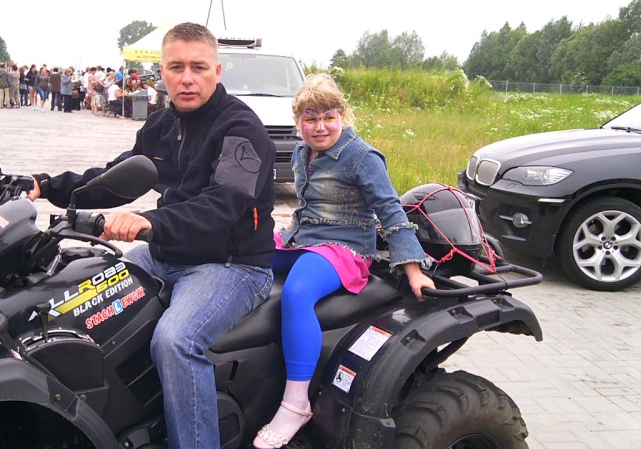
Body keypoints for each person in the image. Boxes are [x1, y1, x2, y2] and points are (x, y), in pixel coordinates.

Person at [27, 22, 275, 448]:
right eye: (176, 67)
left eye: (198, 67)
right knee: (75, 295)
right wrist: (45, 185)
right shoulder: (161, 125)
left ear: (217, 71)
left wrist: (150, 222)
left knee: (175, 341)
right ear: (162, 73)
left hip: (231, 266)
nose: (187, 78)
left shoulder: (242, 129)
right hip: (164, 254)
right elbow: (115, 179)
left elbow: (224, 203)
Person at [251, 74, 435, 448]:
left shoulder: (362, 157)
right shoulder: (303, 153)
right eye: (310, 118)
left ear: (342, 116)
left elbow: (390, 211)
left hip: (345, 247)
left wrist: (413, 270)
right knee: (244, 255)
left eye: (328, 117)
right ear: (298, 121)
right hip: (302, 239)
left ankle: (295, 403)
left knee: (297, 293)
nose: (320, 127)